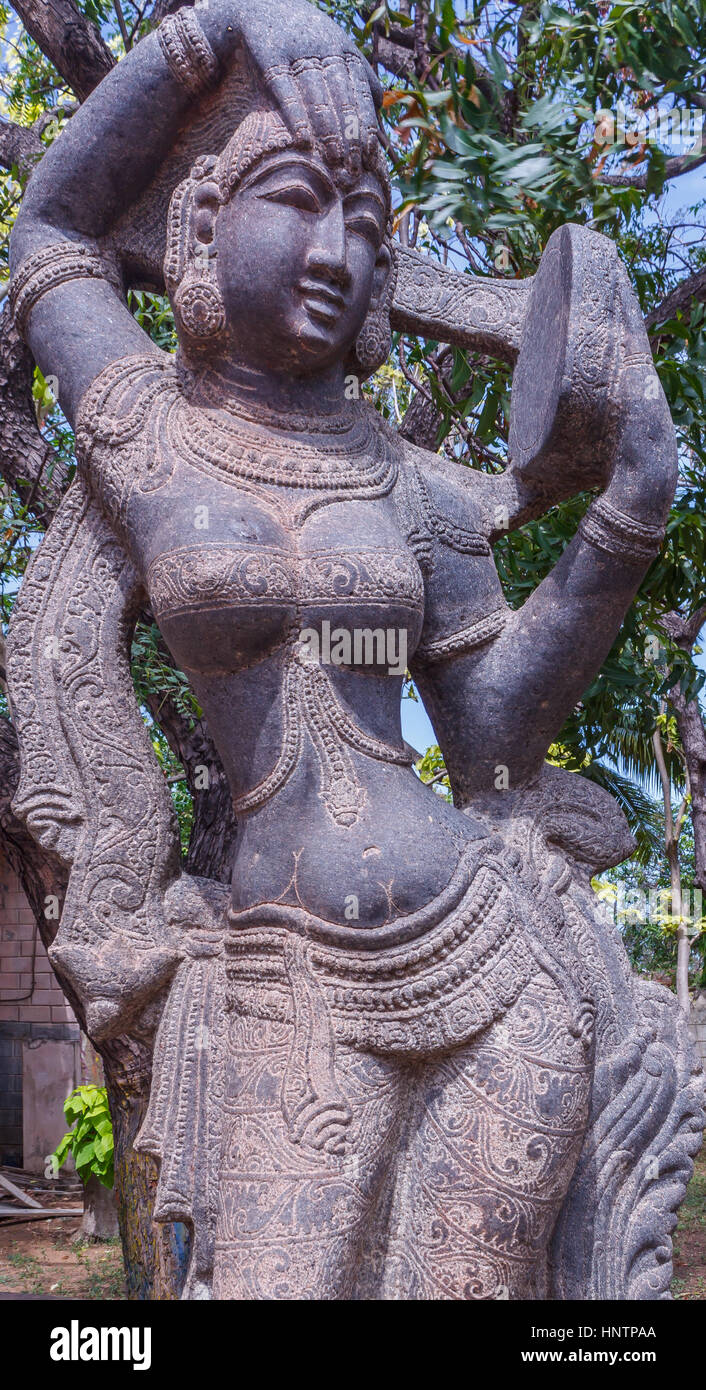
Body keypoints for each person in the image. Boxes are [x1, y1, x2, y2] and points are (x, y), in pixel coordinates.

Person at [8, 0, 684, 1300]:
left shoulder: (415, 492)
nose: (335, 244)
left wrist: (623, 520)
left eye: (365, 223)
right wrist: (215, 36)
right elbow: (51, 229)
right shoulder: (152, 428)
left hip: (488, 966)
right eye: (297, 197)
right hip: (284, 967)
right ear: (203, 225)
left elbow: (488, 743)